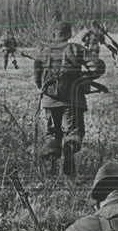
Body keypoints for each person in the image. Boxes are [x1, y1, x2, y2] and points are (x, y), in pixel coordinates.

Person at [33, 22, 106, 177]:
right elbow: (97, 67)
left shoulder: (43, 51)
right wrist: (84, 78)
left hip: (50, 100)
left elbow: (37, 76)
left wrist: (46, 89)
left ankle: (50, 167)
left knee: (52, 132)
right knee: (73, 132)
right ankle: (69, 157)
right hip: (73, 99)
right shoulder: (75, 48)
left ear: (53, 34)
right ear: (70, 33)